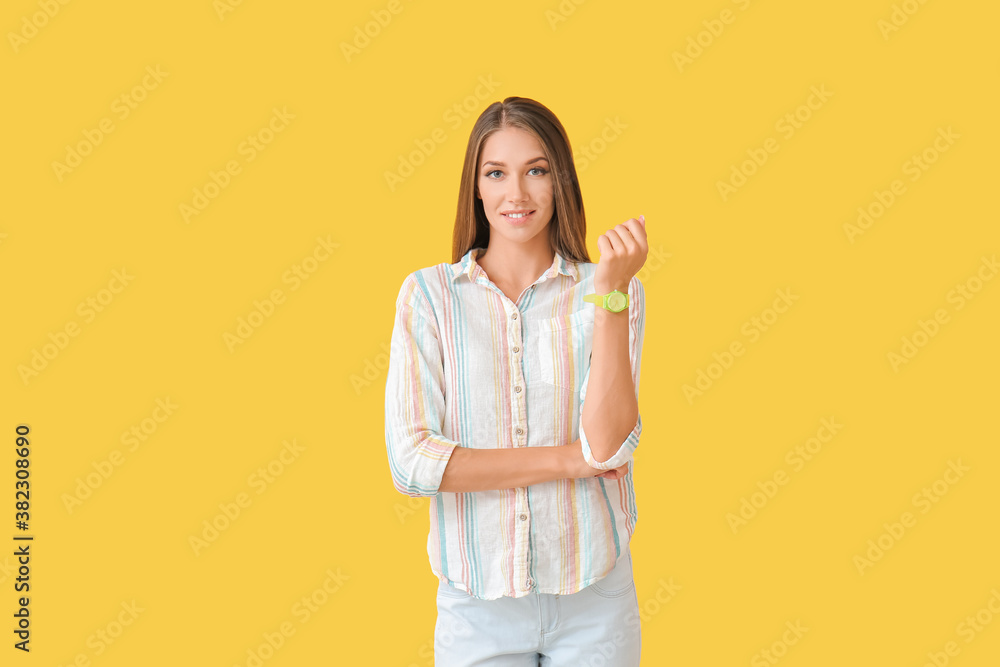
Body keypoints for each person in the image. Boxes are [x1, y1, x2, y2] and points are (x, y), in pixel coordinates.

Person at [384, 96, 648, 665]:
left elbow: (607, 444)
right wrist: (569, 462)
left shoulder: (607, 287)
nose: (517, 194)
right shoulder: (429, 298)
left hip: (594, 596)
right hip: (477, 606)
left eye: (537, 170)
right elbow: (412, 463)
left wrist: (613, 296)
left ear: (561, 180)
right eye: (496, 173)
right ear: (476, 188)